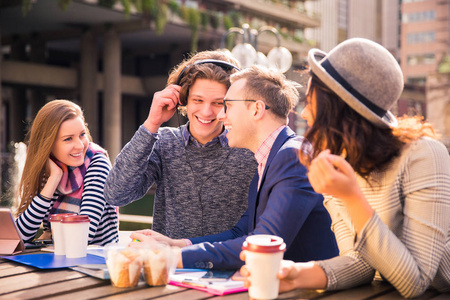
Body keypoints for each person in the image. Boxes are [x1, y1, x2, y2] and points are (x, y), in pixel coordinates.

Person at [241, 38, 450, 298]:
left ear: (336, 106)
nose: (304, 114)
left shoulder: (424, 154)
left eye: (311, 101)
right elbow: (361, 261)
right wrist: (296, 274)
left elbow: (415, 281)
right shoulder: (340, 161)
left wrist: (351, 196)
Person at [130, 65, 339, 269]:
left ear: (257, 109)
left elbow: (263, 244)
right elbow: (242, 232)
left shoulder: (292, 157)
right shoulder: (270, 159)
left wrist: (170, 256)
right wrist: (176, 244)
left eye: (227, 105)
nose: (220, 116)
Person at [104, 50, 256, 239]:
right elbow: (115, 194)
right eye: (198, 100)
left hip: (231, 266)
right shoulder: (163, 143)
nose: (207, 112)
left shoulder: (249, 149)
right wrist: (151, 124)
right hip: (171, 267)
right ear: (183, 99)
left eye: (218, 103)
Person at [13, 99, 119, 246]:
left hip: (93, 262)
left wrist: (49, 236)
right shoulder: (48, 168)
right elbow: (18, 236)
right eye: (68, 139)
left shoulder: (97, 163)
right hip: (57, 259)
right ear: (48, 144)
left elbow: (82, 236)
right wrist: (54, 179)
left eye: (82, 134)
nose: (80, 145)